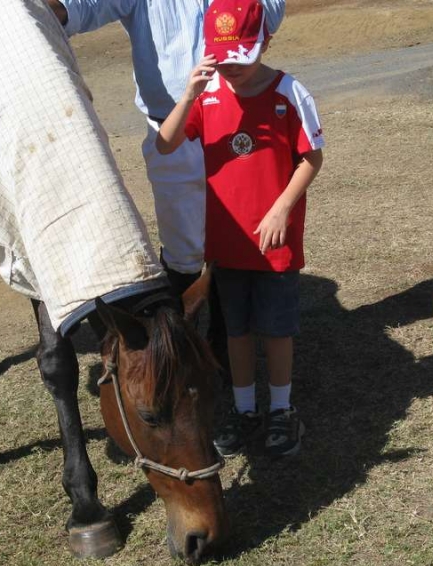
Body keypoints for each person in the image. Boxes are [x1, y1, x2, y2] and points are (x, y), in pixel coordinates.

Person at [45, 0, 286, 375]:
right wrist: (50, 8)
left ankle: (225, 341)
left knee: (240, 235)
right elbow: (84, 6)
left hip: (237, 120)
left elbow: (270, 9)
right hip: (172, 128)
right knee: (183, 251)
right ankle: (177, 348)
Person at [156, 0, 324, 458]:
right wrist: (189, 93)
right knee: (236, 330)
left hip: (274, 245)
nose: (231, 69)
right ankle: (246, 409)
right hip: (226, 244)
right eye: (222, 58)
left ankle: (282, 411)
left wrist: (281, 208)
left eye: (240, 58)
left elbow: (312, 157)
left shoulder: (289, 92)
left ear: (265, 41)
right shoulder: (208, 95)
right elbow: (164, 143)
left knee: (276, 329)